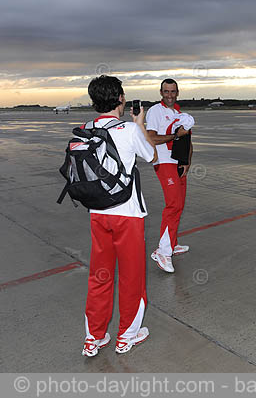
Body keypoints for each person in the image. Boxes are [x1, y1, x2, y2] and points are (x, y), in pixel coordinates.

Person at [82, 75, 157, 357]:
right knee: (131, 277)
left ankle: (94, 338)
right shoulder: (128, 129)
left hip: (98, 214)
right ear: (121, 99)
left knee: (99, 276)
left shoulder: (85, 129)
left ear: (94, 102)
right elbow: (152, 157)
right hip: (127, 215)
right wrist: (140, 125)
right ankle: (126, 336)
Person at [146, 79, 192, 273]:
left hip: (178, 163)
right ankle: (163, 252)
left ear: (177, 92)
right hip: (164, 162)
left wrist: (187, 161)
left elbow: (188, 139)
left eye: (173, 91)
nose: (170, 95)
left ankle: (171, 244)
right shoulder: (156, 111)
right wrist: (176, 135)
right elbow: (151, 138)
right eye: (166, 91)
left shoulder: (180, 114)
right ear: (161, 92)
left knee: (179, 205)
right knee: (173, 205)